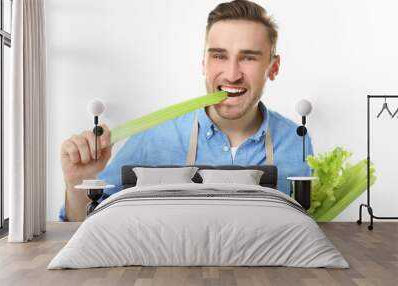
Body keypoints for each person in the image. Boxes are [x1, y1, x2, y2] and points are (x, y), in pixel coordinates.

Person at [59, 0, 313, 222]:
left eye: (248, 57)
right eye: (219, 56)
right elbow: (89, 225)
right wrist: (78, 183)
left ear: (274, 67)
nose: (233, 74)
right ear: (204, 63)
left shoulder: (296, 140)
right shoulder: (155, 136)